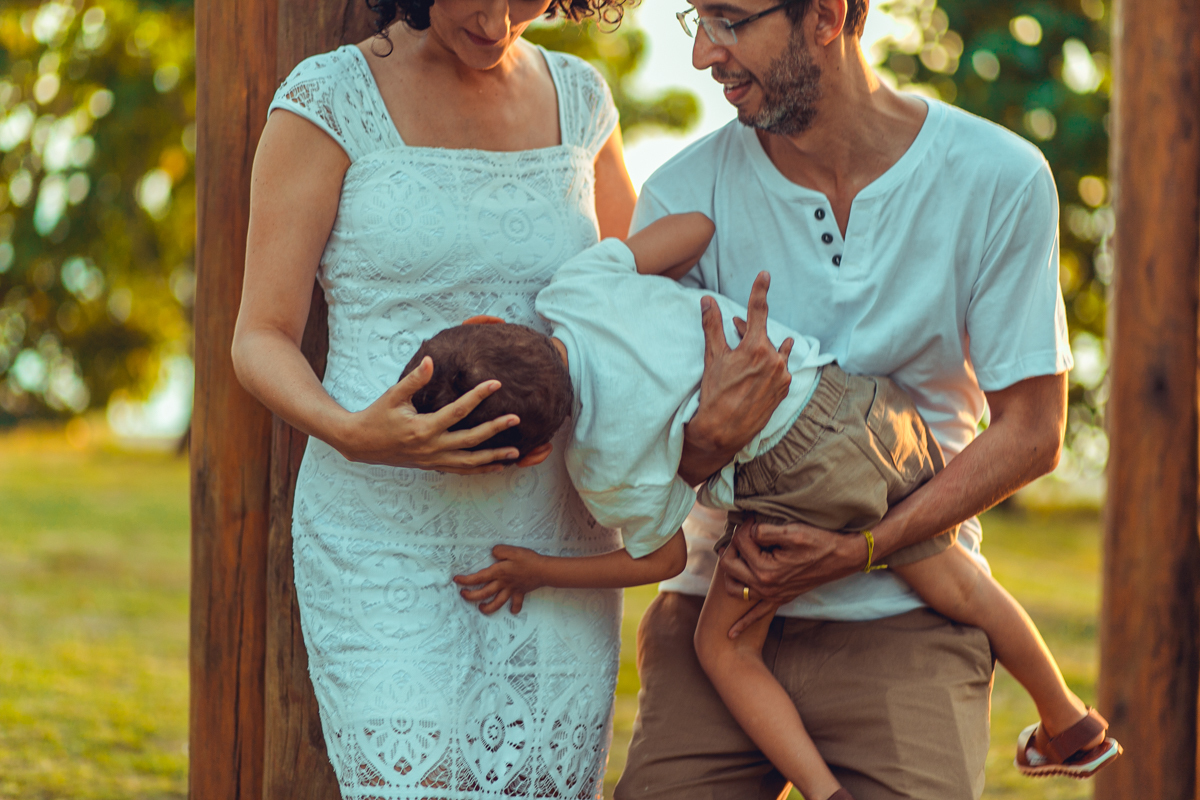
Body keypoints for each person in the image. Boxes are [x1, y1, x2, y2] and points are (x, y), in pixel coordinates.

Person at [425, 213, 1118, 800]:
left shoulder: (601, 466)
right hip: (852, 403)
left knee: (722, 648)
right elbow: (696, 228)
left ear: (532, 456)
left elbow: (662, 559)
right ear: (492, 322)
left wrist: (541, 570)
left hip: (793, 482)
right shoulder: (577, 288)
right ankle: (1068, 719)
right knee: (958, 579)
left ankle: (825, 793)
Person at [610, 0, 1089, 797]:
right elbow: (641, 443)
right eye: (697, 20)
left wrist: (866, 547)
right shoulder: (682, 197)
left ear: (827, 16)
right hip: (717, 608)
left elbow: (1034, 433)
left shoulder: (999, 178)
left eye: (728, 21)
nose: (702, 55)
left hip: (908, 620)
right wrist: (701, 445)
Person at [228, 0, 638, 794]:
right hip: (380, 536)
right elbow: (260, 335)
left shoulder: (583, 98)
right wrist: (351, 432)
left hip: (556, 541)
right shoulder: (329, 99)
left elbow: (634, 295)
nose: (498, 21)